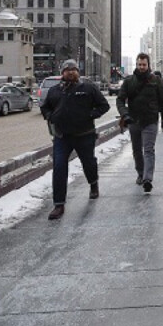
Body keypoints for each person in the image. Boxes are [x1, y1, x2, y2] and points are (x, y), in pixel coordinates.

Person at [40, 59, 110, 220]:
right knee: (59, 168)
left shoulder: (88, 88)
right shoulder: (55, 91)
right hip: (62, 137)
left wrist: (91, 115)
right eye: (67, 69)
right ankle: (58, 204)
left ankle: (93, 184)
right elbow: (45, 107)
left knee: (89, 163)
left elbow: (104, 106)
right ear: (62, 73)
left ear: (78, 72)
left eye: (73, 69)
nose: (70, 72)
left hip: (84, 135)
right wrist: (50, 117)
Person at [116, 52, 163, 193]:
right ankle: (140, 173)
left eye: (144, 65)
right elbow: (120, 100)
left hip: (150, 120)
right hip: (133, 120)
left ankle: (147, 179)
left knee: (148, 149)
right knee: (136, 150)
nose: (141, 67)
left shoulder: (156, 80)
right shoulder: (129, 81)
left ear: (148, 65)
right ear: (136, 64)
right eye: (139, 64)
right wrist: (125, 114)